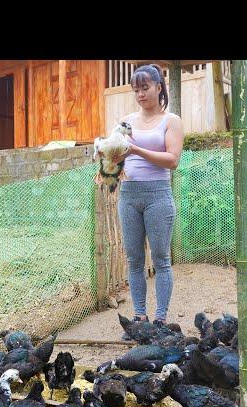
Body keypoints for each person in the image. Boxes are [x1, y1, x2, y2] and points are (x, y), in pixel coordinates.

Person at [96, 64, 184, 330]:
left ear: (159, 87)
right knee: (134, 260)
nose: (140, 94)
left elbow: (172, 160)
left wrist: (135, 150)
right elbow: (114, 150)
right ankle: (140, 318)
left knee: (160, 260)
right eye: (136, 90)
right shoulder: (127, 122)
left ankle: (160, 320)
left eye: (145, 88)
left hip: (158, 195)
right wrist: (104, 150)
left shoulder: (172, 121)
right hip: (129, 196)